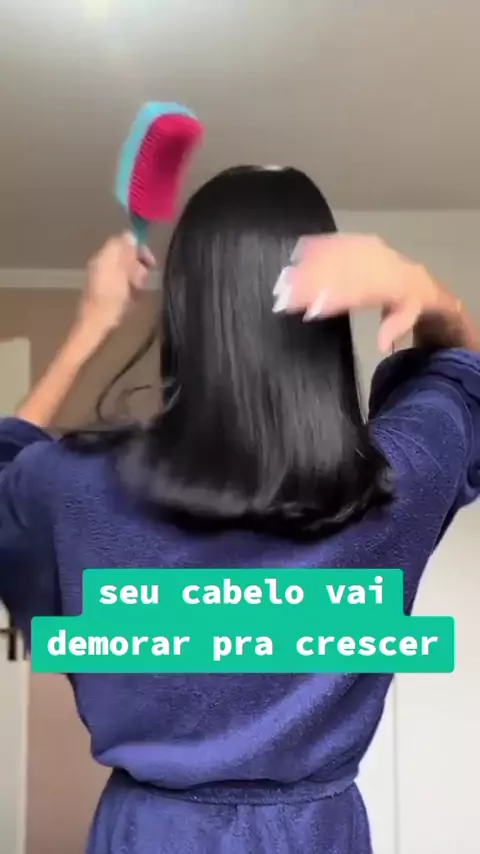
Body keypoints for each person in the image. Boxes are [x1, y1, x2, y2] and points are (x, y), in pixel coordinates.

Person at [0, 166, 479, 854]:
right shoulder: (401, 475)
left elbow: (7, 467)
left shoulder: (75, 486)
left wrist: (91, 325)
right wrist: (423, 290)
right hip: (318, 835)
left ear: (186, 311)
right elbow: (462, 376)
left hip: (151, 834)